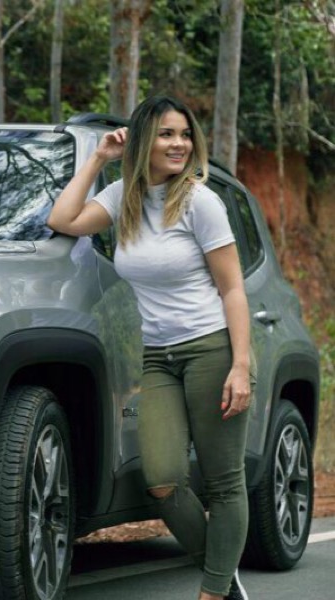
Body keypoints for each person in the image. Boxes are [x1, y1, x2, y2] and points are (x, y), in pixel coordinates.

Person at [47, 95, 252, 600]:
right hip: (159, 357)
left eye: (184, 134)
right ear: (143, 141)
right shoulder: (123, 197)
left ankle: (212, 590)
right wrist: (97, 158)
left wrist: (241, 365)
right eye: (165, 134)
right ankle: (224, 576)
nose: (179, 143)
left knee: (224, 481)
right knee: (160, 478)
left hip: (211, 350)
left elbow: (232, 288)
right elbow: (63, 220)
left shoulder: (201, 201)